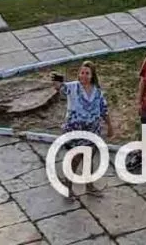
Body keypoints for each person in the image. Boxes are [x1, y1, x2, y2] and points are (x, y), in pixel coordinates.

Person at [53, 61, 112, 195]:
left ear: (92, 75)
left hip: (92, 130)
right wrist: (57, 79)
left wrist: (109, 126)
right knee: (77, 156)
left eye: (87, 73)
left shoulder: (97, 92)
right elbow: (59, 87)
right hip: (76, 130)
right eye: (82, 73)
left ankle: (89, 185)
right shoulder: (73, 87)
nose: (84, 76)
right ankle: (68, 185)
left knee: (88, 156)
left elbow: (104, 110)